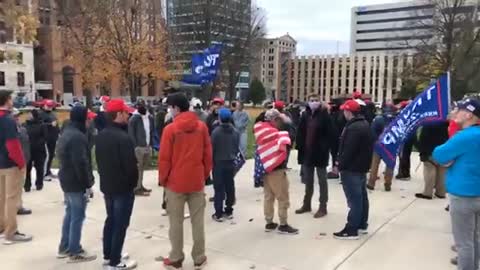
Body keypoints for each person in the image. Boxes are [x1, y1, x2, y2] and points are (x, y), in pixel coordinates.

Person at [158, 92, 212, 270]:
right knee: (198, 222)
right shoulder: (202, 127)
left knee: (176, 223)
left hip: (175, 183)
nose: (169, 110)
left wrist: (163, 180)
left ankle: (176, 258)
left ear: (176, 108)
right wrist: (203, 174)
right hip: (196, 181)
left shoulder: (170, 130)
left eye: (170, 107)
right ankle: (199, 257)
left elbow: (164, 158)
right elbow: (207, 154)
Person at [432, 99, 480, 270]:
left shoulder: (465, 136)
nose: (455, 113)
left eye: (459, 110)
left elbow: (439, 154)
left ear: (468, 114)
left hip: (463, 195)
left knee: (464, 243)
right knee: (474, 238)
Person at [96, 99, 138, 270]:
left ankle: (110, 254)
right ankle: (115, 262)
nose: (128, 115)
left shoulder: (101, 135)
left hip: (108, 185)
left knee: (111, 220)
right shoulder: (123, 138)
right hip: (122, 188)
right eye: (125, 112)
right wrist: (133, 184)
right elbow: (131, 167)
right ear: (118, 114)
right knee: (120, 223)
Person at [56, 105, 96, 263]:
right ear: (82, 118)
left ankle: (65, 246)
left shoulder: (67, 132)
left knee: (70, 213)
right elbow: (81, 163)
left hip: (66, 178)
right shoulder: (77, 137)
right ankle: (74, 250)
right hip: (75, 181)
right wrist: (87, 184)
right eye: (88, 118)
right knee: (77, 216)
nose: (89, 121)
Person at [334, 100, 374, 240]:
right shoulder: (364, 124)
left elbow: (348, 150)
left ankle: (351, 229)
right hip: (360, 167)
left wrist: (340, 165)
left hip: (351, 169)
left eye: (344, 111)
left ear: (348, 112)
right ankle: (362, 224)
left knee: (354, 200)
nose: (343, 113)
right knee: (361, 197)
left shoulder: (353, 128)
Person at [254, 109, 298, 235]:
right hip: (277, 169)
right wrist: (289, 123)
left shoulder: (262, 131)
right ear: (275, 120)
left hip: (265, 169)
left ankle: (269, 222)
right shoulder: (277, 134)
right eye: (279, 120)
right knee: (282, 196)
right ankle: (283, 224)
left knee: (268, 197)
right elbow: (290, 140)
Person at [295, 94, 335, 218]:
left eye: (316, 100)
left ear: (320, 102)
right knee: (308, 180)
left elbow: (331, 134)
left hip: (320, 153)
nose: (314, 103)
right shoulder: (305, 115)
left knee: (322, 180)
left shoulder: (325, 115)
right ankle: (307, 204)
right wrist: (300, 147)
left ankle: (323, 206)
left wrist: (325, 147)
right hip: (307, 153)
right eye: (311, 101)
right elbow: (300, 132)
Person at [0, 90, 32, 245]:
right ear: (7, 100)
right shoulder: (8, 120)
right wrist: (21, 162)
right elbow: (12, 145)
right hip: (10, 163)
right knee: (12, 198)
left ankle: (1, 227)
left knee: (1, 198)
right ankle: (11, 232)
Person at [211, 108, 240, 222]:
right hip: (231, 162)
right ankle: (229, 209)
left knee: (219, 188)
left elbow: (212, 148)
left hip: (219, 162)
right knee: (230, 186)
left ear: (219, 118)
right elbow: (237, 147)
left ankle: (218, 213)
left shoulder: (216, 132)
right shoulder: (236, 132)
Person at [415, 120, 449, 200]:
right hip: (443, 150)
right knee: (442, 171)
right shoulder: (446, 123)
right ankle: (441, 192)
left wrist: (422, 151)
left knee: (429, 170)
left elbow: (423, 138)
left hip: (430, 150)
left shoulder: (428, 123)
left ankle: (428, 193)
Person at [367, 103, 397, 191]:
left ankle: (371, 183)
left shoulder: (378, 119)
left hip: (379, 145)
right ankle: (388, 185)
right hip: (391, 146)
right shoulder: (397, 119)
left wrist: (374, 142)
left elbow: (372, 132)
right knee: (390, 165)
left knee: (375, 164)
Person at [128, 100, 154, 196]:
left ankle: (140, 185)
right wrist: (135, 146)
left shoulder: (150, 118)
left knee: (143, 167)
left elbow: (151, 131)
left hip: (147, 146)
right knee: (138, 168)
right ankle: (136, 188)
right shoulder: (134, 119)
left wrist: (151, 144)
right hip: (138, 147)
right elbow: (131, 133)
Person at [12, 109, 32, 215]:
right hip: (12, 163)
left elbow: (26, 145)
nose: (17, 118)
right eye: (15, 116)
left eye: (18, 116)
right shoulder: (9, 130)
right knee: (11, 188)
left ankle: (18, 206)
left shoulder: (23, 129)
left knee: (19, 186)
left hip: (23, 160)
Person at [24, 109, 47, 192]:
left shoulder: (42, 125)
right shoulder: (25, 125)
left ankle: (39, 184)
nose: (28, 116)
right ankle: (27, 185)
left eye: (30, 114)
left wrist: (38, 143)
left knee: (39, 168)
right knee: (27, 168)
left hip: (39, 150)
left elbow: (45, 137)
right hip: (28, 149)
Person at [41, 99, 60, 179]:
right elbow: (39, 125)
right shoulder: (41, 114)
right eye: (48, 106)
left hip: (53, 137)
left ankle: (48, 171)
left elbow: (56, 125)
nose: (50, 107)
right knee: (47, 155)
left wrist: (59, 133)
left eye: (51, 106)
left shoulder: (53, 114)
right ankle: (44, 173)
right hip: (46, 138)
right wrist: (49, 124)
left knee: (52, 155)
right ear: (44, 106)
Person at [396, 101, 415, 180]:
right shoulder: (412, 114)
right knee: (406, 155)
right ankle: (405, 172)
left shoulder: (404, 116)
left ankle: (404, 174)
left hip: (404, 138)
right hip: (410, 137)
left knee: (403, 156)